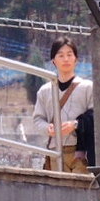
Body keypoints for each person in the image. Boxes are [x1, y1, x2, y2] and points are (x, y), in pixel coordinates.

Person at [32, 37, 94, 173]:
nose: (65, 59)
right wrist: (48, 128)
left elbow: (96, 116)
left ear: (76, 59)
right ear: (53, 61)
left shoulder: (88, 87)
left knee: (82, 190)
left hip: (82, 151)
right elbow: (37, 119)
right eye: (61, 55)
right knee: (60, 192)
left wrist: (76, 125)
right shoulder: (45, 91)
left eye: (69, 55)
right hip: (55, 150)